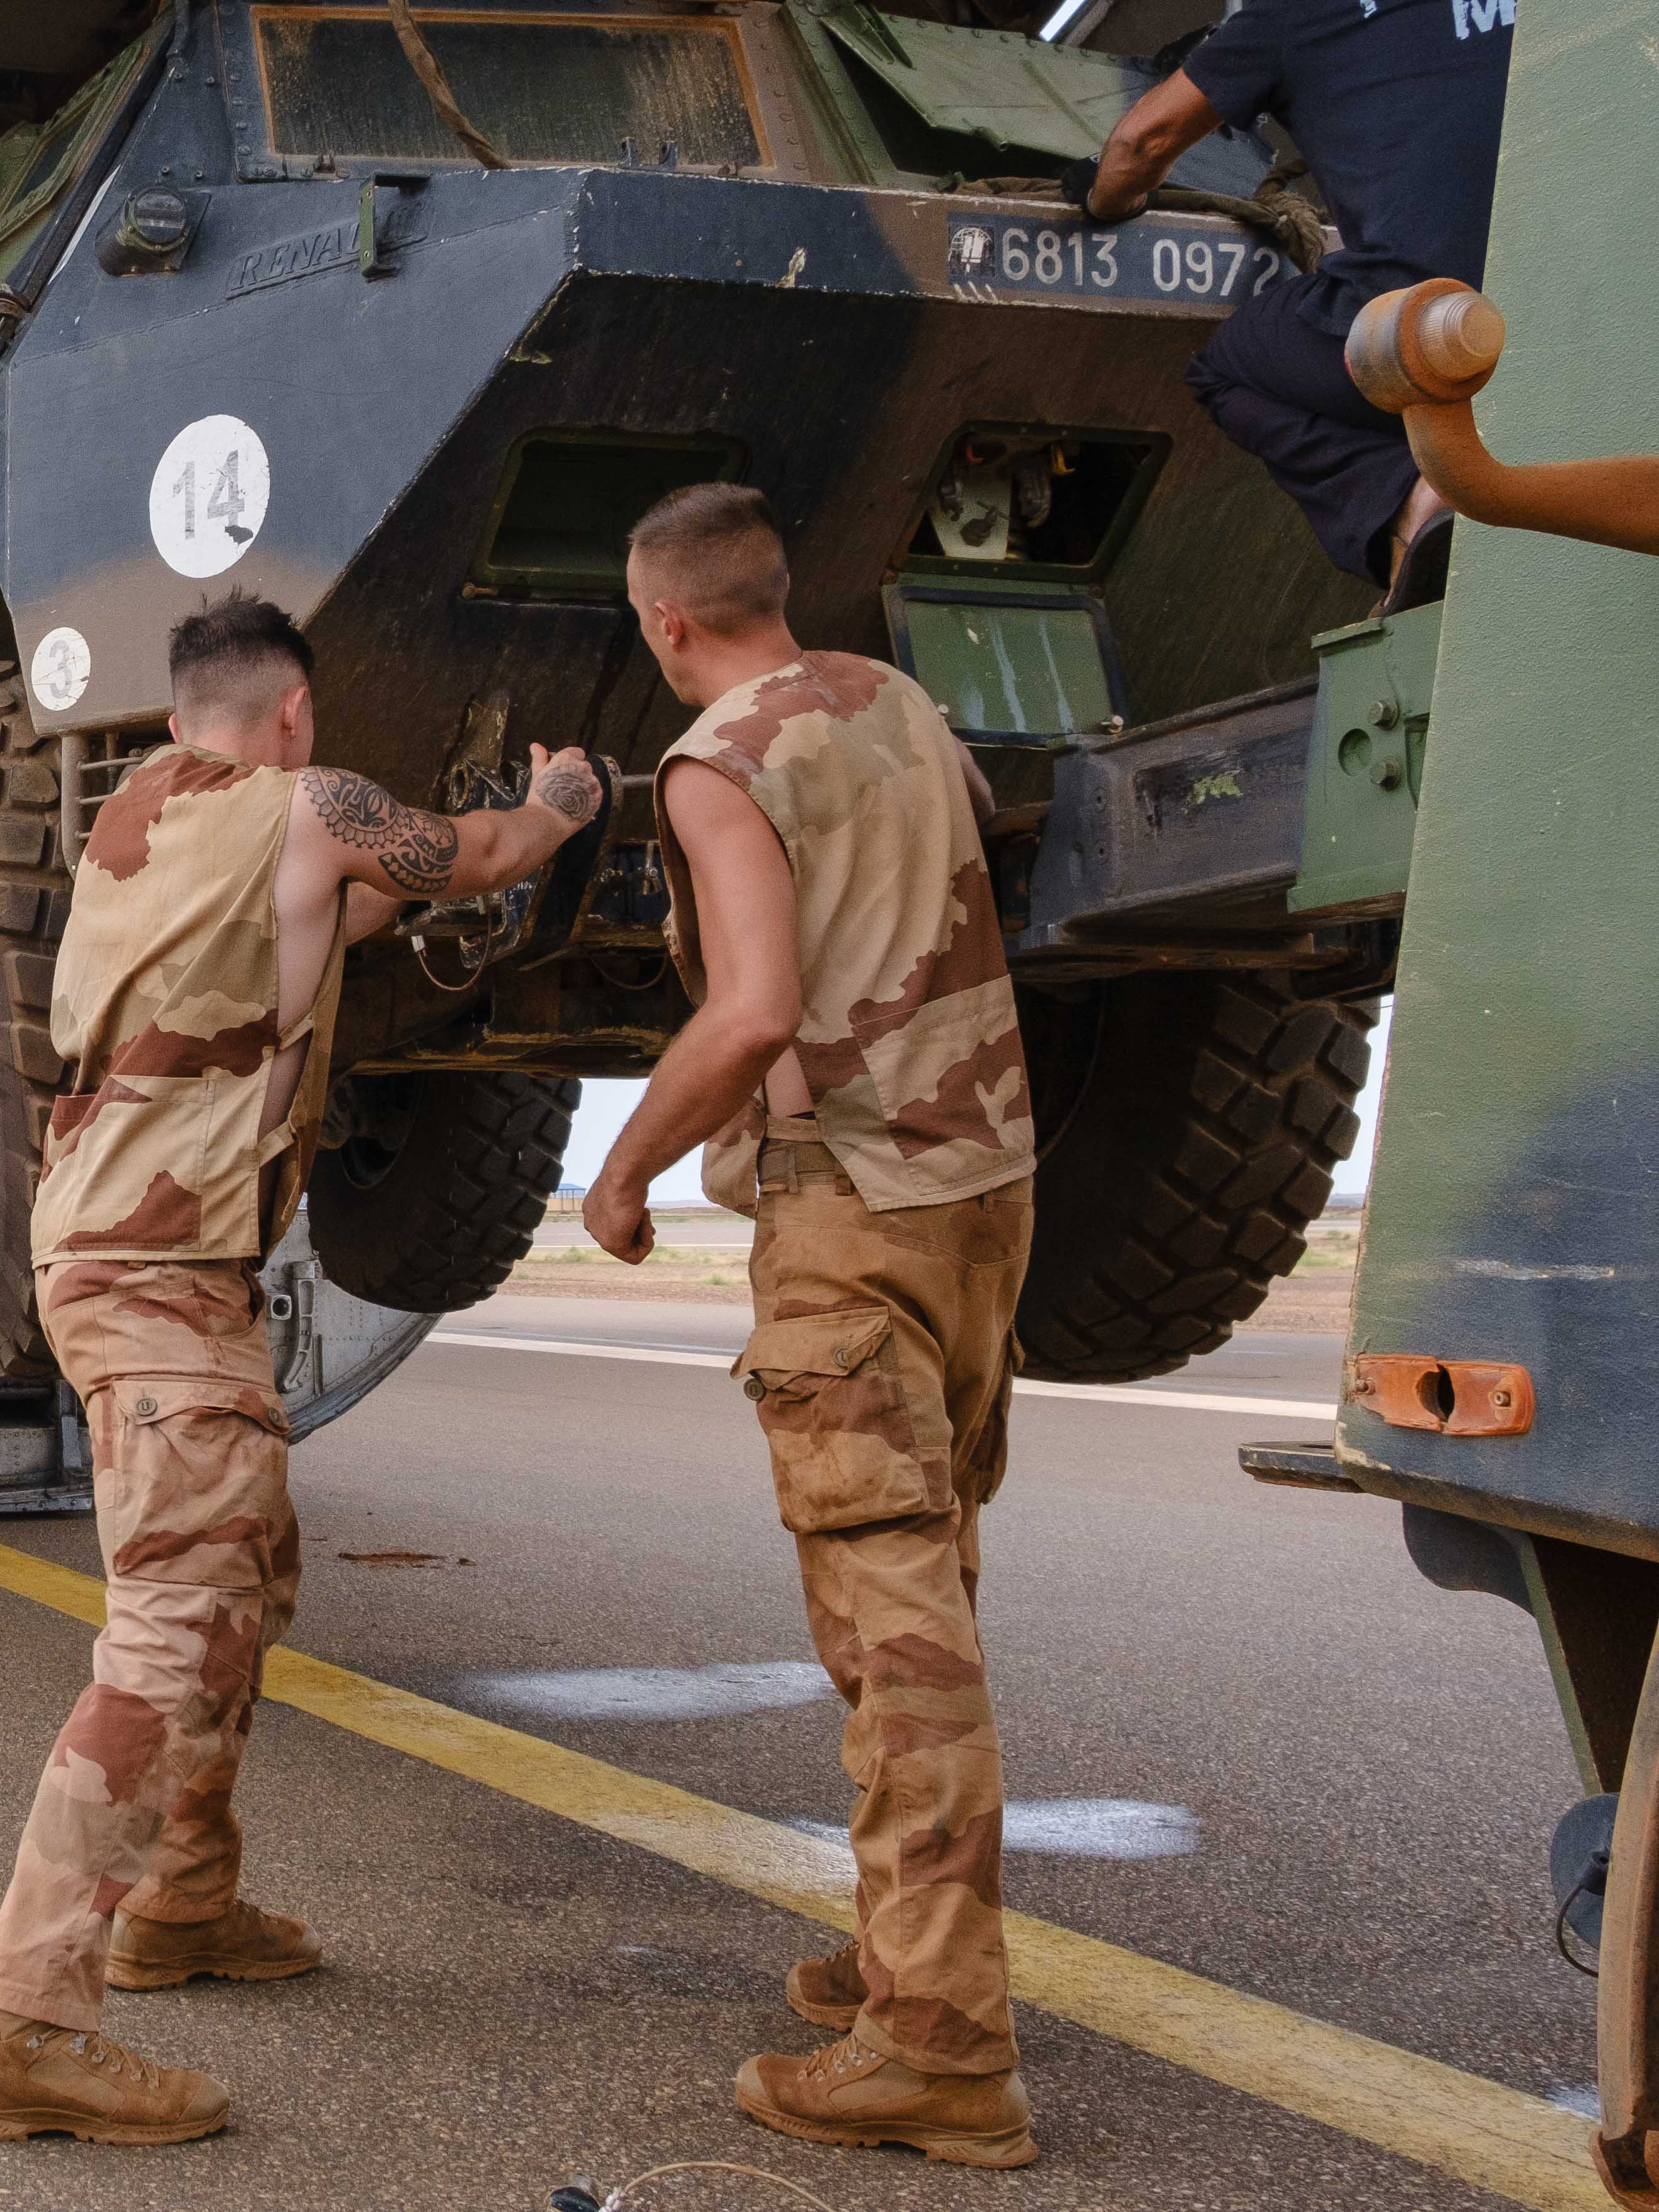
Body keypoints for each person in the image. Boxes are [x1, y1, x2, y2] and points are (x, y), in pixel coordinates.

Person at [0, 594, 598, 2145]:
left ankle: (182, 1902)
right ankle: (20, 2024)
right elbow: (483, 855)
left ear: (186, 718)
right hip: (158, 1274)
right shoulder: (311, 804)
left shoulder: (138, 817)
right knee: (169, 1633)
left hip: (130, 1253)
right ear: (295, 716)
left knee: (243, 1585)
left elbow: (320, 919)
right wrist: (562, 799)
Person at [581, 483, 1039, 2169]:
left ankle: (940, 2045)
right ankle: (906, 1945)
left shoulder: (717, 762)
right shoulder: (895, 700)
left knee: (895, 1620)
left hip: (852, 1205)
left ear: (670, 623)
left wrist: (619, 1171)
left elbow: (756, 1004)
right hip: (985, 1186)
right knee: (921, 1583)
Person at [1062, 0, 1514, 600]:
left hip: (1447, 325)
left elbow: (1141, 143)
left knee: (1229, 370)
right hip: (1599, 283)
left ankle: (1419, 500)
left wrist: (1103, 202)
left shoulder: (1290, 12)